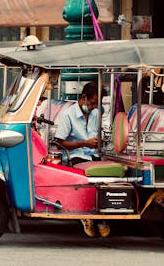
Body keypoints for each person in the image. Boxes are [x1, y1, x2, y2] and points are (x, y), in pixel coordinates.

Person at [54, 81, 110, 238]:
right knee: (89, 178)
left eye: (95, 105)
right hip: (75, 156)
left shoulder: (95, 114)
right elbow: (60, 143)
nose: (92, 107)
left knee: (107, 178)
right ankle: (88, 216)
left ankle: (101, 216)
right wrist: (84, 143)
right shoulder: (67, 115)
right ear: (84, 98)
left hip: (93, 156)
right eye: (91, 103)